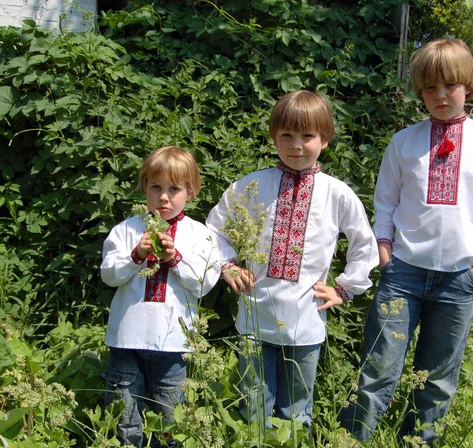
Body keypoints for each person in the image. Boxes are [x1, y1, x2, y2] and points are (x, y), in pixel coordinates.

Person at [340, 38, 473, 444]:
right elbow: (385, 201)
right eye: (430, 88)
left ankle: (416, 441)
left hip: (459, 280)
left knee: (437, 379)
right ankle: (350, 440)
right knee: (378, 369)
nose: (439, 95)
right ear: (420, 90)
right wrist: (385, 253)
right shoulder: (405, 142)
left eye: (449, 86)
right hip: (403, 274)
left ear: (467, 85)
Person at [206, 90, 378, 428]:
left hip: (306, 320)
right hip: (255, 316)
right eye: (286, 135)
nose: (296, 145)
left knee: (297, 410)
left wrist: (344, 289)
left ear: (325, 139)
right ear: (274, 137)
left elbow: (364, 243)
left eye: (307, 136)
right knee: (253, 406)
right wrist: (227, 266)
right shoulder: (251, 185)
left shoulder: (336, 192)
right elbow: (214, 231)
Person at [100, 146, 220, 447]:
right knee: (124, 419)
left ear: (190, 192)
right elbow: (109, 275)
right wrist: (137, 255)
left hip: (174, 345)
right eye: (155, 187)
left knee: (171, 422)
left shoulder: (200, 234)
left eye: (174, 189)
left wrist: (175, 258)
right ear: (144, 188)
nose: (163, 197)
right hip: (126, 340)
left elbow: (204, 284)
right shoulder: (126, 230)